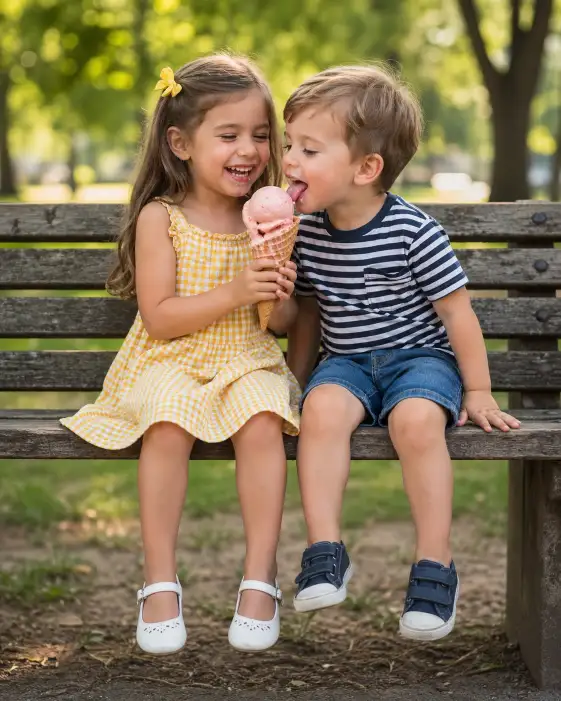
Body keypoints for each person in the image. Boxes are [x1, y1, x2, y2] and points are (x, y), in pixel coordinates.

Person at [61, 55, 301, 655]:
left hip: (245, 358)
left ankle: (259, 578)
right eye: (228, 135)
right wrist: (237, 289)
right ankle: (160, 581)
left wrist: (279, 289)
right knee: (167, 420)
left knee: (262, 418)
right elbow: (162, 317)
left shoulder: (272, 219)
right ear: (180, 142)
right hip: (169, 359)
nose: (248, 148)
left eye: (259, 134)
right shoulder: (160, 218)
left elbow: (282, 323)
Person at [283, 64, 520, 642]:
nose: (289, 160)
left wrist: (479, 390)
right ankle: (325, 548)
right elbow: (309, 314)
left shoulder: (414, 231)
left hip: (420, 360)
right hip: (346, 363)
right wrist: (294, 378)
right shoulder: (305, 230)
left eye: (309, 150)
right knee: (320, 413)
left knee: (416, 423)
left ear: (366, 169)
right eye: (289, 144)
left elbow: (457, 314)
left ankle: (435, 564)